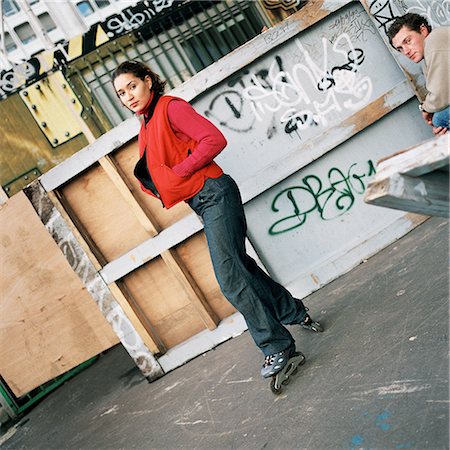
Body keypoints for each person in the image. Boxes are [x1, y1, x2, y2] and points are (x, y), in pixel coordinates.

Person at [112, 60, 323, 381]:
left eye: (132, 86)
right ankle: (294, 312)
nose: (128, 96)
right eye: (121, 93)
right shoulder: (147, 123)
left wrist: (180, 170)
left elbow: (213, 139)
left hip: (215, 193)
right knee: (241, 268)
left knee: (230, 280)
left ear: (148, 82)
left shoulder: (170, 108)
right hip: (203, 200)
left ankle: (276, 346)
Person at [387, 13, 449, 136]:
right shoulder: (429, 54)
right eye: (400, 48)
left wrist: (425, 109)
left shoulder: (434, 40)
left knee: (439, 119)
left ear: (423, 30)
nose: (406, 51)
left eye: (408, 41)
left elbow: (441, 93)